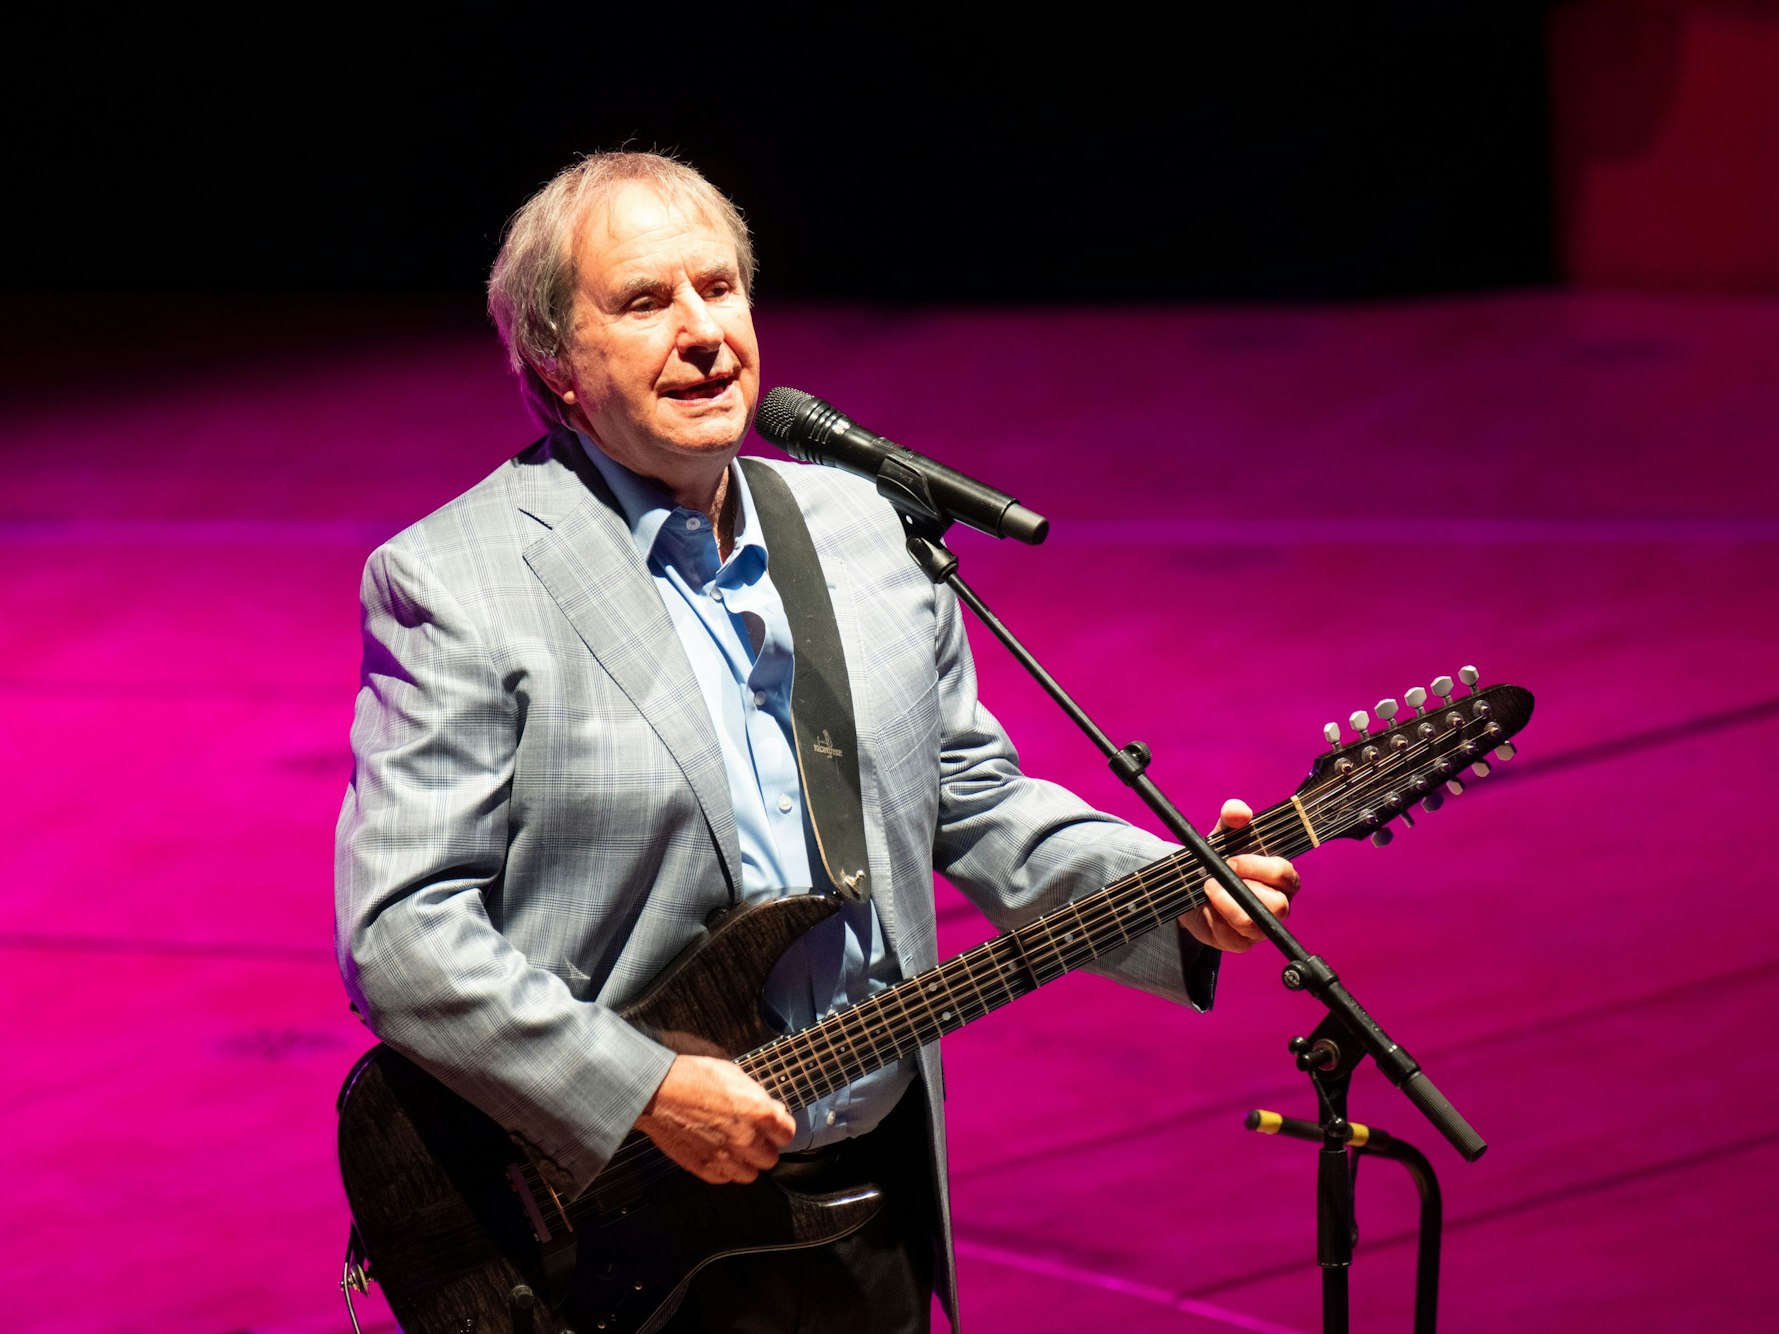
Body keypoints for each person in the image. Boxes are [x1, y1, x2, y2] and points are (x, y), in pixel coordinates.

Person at [334, 149, 1299, 1332]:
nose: (704, 332)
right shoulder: (460, 580)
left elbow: (965, 789)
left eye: (720, 288)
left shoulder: (858, 524)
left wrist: (1168, 891)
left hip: (867, 1197)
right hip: (610, 1226)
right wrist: (644, 1089)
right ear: (555, 362)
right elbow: (403, 932)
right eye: (646, 302)